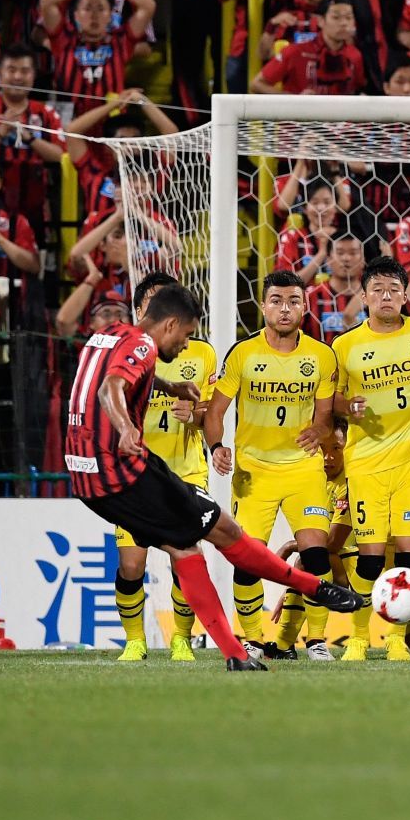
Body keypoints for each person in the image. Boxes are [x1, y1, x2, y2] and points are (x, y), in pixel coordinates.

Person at [63, 282, 357, 672]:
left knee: (184, 547)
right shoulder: (144, 345)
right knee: (224, 530)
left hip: (86, 476)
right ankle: (314, 587)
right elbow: (111, 387)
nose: (185, 346)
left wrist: (168, 385)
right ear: (170, 324)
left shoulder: (109, 332)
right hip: (122, 470)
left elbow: (119, 375)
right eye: (185, 335)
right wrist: (126, 427)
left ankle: (236, 656)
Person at [202, 271, 340, 660]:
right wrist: (217, 446)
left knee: (315, 552)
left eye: (293, 301)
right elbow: (215, 411)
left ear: (305, 307)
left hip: (303, 470)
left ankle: (317, 641)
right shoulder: (243, 354)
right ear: (263, 306)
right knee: (248, 555)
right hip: (254, 472)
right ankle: (251, 637)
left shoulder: (321, 355)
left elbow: (325, 415)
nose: (285, 308)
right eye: (277, 300)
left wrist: (318, 430)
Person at [100, 273, 219, 663]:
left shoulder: (200, 353)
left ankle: (181, 639)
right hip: (136, 471)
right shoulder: (123, 351)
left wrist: (196, 415)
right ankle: (135, 640)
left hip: (186, 468)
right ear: (140, 311)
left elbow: (210, 412)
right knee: (131, 563)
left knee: (186, 552)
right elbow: (107, 396)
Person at [328, 257, 410, 661]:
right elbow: (329, 401)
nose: (386, 296)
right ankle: (358, 638)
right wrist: (346, 405)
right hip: (366, 465)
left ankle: (396, 642)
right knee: (370, 560)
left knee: (409, 557)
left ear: (406, 294)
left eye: (394, 289)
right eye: (377, 290)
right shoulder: (344, 345)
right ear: (363, 297)